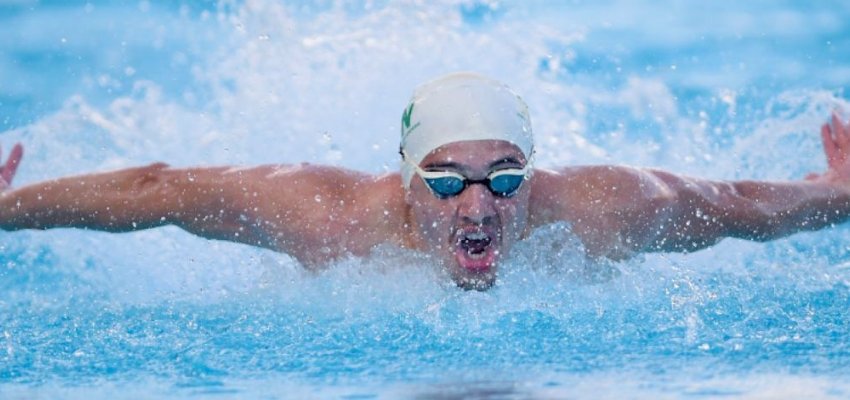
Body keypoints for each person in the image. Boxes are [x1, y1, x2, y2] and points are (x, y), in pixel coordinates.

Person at [1, 72, 849, 290]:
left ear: (534, 173)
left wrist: (837, 193)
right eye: (445, 182)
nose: (477, 204)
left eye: (503, 177)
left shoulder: (599, 211)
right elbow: (159, 190)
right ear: (403, 179)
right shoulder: (327, 217)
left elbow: (734, 207)